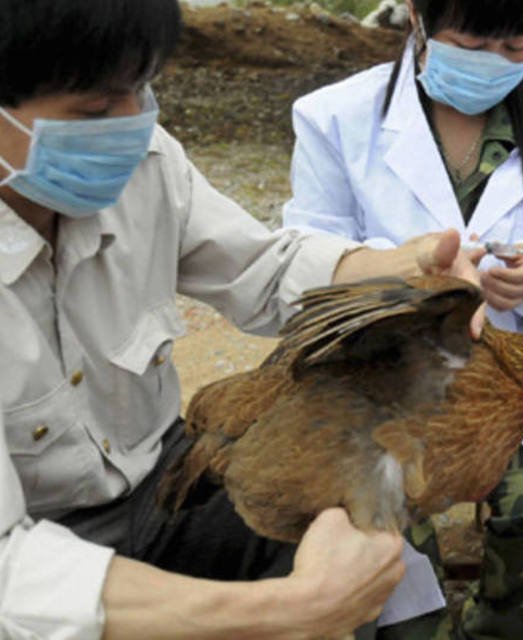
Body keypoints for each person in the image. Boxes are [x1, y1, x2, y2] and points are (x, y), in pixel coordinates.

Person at [0, 1, 486, 638]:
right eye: (93, 111)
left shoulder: (147, 160)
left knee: (363, 544)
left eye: (140, 90)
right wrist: (290, 610)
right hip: (38, 547)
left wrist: (405, 268)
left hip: (161, 484)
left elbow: (264, 270)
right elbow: (14, 571)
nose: (132, 123)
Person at [282, 0, 523, 637]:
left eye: (516, 48)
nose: (491, 64)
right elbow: (308, 264)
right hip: (379, 388)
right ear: (416, 15)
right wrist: (409, 283)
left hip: (512, 393)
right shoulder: (335, 117)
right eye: (471, 43)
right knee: (380, 531)